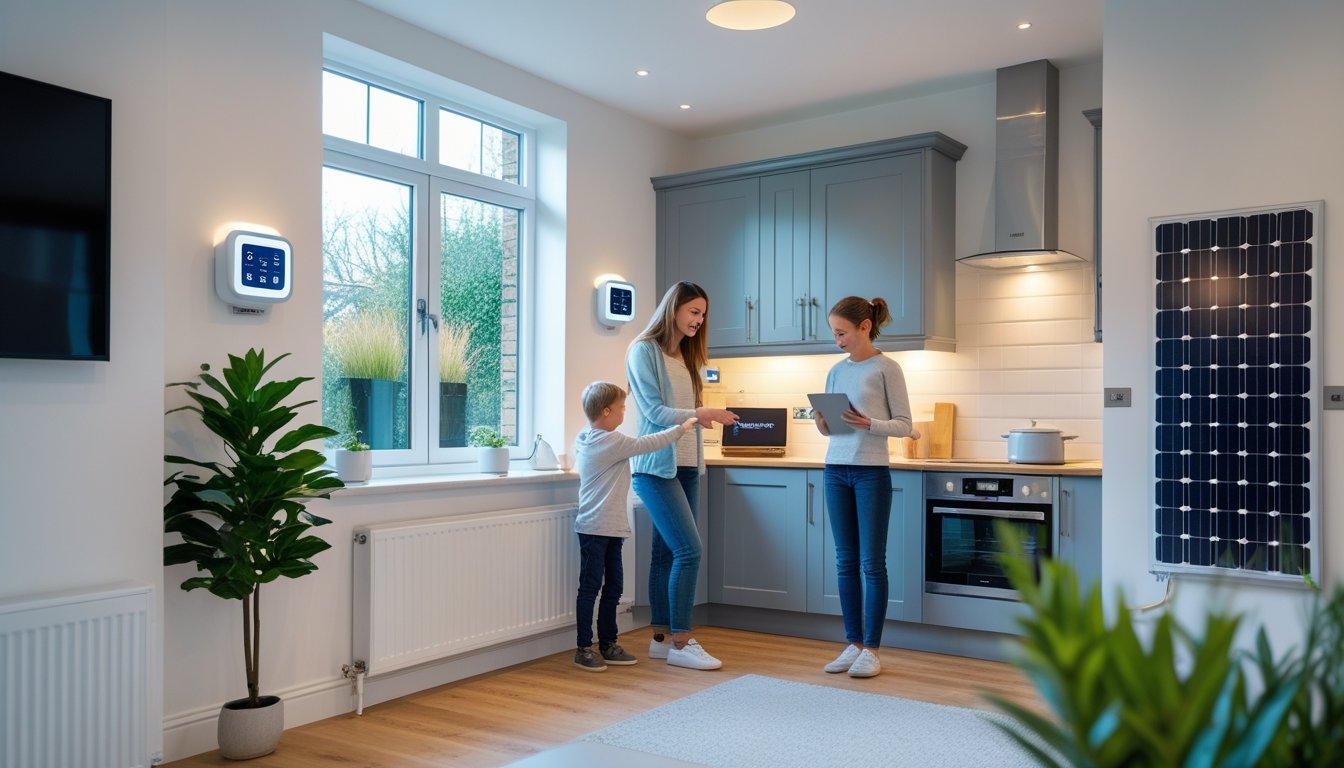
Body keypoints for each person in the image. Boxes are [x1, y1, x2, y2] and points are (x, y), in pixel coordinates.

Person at [626, 281, 739, 670]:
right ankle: (682, 640)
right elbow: (655, 413)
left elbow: (686, 413)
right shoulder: (643, 351)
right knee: (690, 550)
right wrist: (701, 415)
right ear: (673, 309)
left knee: (666, 553)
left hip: (688, 465)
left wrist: (704, 417)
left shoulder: (688, 357)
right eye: (693, 311)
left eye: (703, 314)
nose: (699, 320)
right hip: (655, 468)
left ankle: (660, 639)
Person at [813, 295, 918, 678]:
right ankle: (853, 643)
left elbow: (905, 425)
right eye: (834, 334)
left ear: (865, 327)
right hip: (835, 470)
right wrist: (823, 422)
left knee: (871, 563)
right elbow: (827, 425)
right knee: (845, 561)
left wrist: (869, 424)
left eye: (842, 333)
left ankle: (872, 649)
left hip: (871, 471)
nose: (838, 340)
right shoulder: (836, 371)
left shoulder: (887, 368)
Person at [571, 381, 698, 672]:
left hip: (609, 528)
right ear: (606, 412)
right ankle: (583, 648)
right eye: (621, 408)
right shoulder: (611, 441)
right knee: (592, 589)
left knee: (612, 588)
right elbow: (647, 444)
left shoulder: (586, 437)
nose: (624, 413)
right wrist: (684, 426)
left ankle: (608, 644)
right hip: (596, 528)